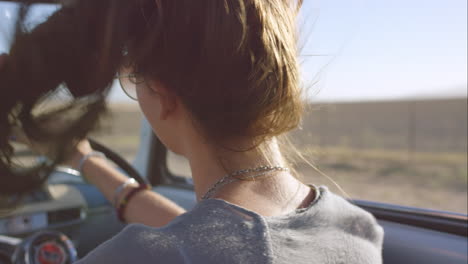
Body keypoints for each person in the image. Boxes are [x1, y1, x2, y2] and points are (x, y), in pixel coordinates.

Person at [1, 0, 384, 263]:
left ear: (163, 94)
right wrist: (85, 161)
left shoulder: (133, 257)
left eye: (133, 79)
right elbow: (209, 235)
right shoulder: (358, 230)